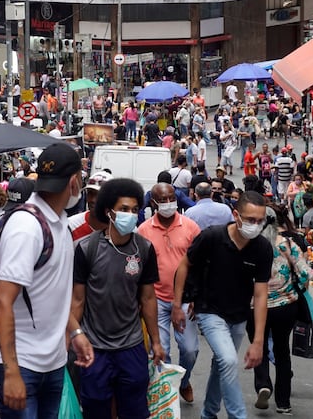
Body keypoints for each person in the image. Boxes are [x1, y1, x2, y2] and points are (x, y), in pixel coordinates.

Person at [0, 143, 94, 417]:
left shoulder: (60, 223)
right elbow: (2, 302)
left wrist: (75, 332)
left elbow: (51, 294)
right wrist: (10, 371)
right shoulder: (28, 228)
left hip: (52, 361)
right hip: (20, 362)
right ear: (74, 182)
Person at [172, 191, 273, 419]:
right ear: (236, 215)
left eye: (260, 221)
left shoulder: (262, 248)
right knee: (228, 360)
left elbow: (260, 295)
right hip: (209, 310)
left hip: (238, 315)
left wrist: (258, 341)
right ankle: (238, 416)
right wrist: (177, 304)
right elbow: (184, 265)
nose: (255, 226)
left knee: (221, 365)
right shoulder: (212, 237)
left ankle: (208, 413)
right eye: (250, 220)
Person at [72, 178, 164, 417]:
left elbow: (147, 299)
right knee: (95, 408)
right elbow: (77, 300)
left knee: (135, 409)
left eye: (135, 210)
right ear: (108, 211)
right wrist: (72, 339)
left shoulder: (144, 249)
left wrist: (155, 341)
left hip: (131, 346)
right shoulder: (86, 248)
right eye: (123, 209)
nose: (130, 215)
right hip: (94, 347)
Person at [137, 183, 201, 404]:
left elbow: (201, 263)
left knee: (190, 349)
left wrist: (196, 296)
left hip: (184, 300)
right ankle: (166, 395)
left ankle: (184, 382)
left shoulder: (191, 227)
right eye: (162, 200)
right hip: (154, 299)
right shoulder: (143, 230)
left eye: (171, 198)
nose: (168, 203)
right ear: (153, 203)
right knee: (160, 351)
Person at [247, 204, 311, 415]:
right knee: (282, 350)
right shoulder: (287, 244)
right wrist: (294, 289)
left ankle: (263, 384)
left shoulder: (249, 246)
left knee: (260, 347)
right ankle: (283, 402)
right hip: (285, 306)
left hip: (256, 306)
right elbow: (304, 274)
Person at [68, 172, 113, 248]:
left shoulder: (123, 229)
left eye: (100, 195)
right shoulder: (70, 226)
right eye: (90, 193)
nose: (93, 199)